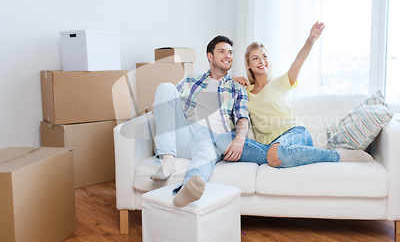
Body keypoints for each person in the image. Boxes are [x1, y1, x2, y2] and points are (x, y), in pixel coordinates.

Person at [216, 21, 373, 167]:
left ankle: (335, 156)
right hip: (269, 145)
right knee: (223, 141)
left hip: (295, 134)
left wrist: (310, 39)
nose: (261, 61)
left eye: (264, 56)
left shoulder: (280, 82)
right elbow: (213, 88)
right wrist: (229, 79)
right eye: (255, 58)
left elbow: (298, 63)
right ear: (248, 64)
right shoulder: (245, 92)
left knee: (277, 152)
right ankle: (280, 157)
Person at [150, 35, 251, 206]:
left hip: (211, 139)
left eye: (230, 52)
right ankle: (168, 158)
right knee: (165, 87)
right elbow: (161, 104)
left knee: (206, 155)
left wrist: (239, 139)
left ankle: (185, 190)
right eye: (222, 51)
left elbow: (243, 117)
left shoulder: (236, 89)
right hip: (185, 131)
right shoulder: (191, 80)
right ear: (210, 56)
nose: (228, 55)